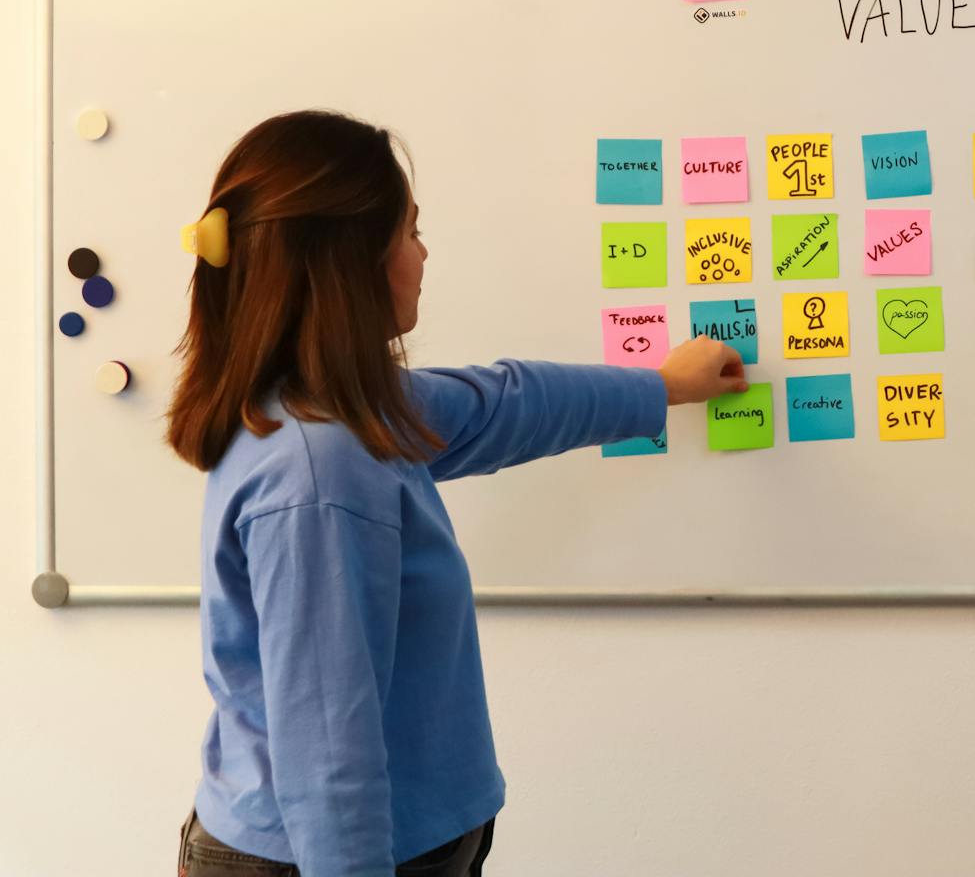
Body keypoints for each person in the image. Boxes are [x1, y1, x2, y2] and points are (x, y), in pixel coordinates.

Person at [168, 110, 747, 876]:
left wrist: (662, 387)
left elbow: (502, 406)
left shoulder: (349, 409)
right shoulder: (317, 472)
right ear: (354, 262)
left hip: (417, 834)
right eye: (409, 231)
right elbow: (328, 763)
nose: (423, 252)